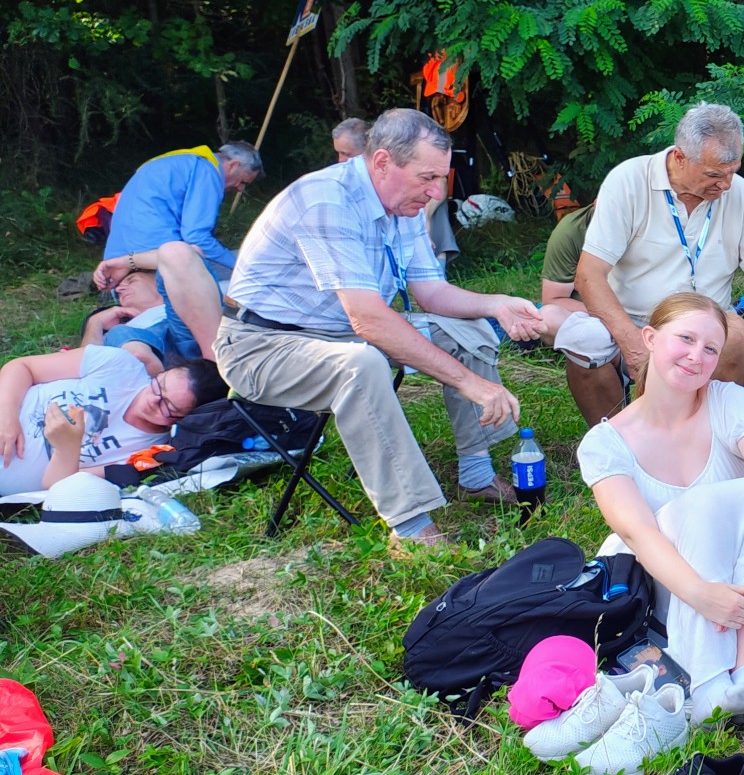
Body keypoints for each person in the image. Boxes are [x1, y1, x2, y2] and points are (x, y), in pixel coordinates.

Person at [214, 107, 547, 546]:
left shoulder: (402, 205)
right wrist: (470, 383)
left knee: (469, 331)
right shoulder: (327, 200)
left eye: (440, 178)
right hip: (262, 344)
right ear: (383, 162)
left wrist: (496, 305)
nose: (435, 192)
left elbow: (431, 292)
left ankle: (476, 472)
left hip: (341, 331)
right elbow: (368, 317)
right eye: (426, 178)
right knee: (362, 364)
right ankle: (410, 528)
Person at [580, 292, 744, 724]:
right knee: (701, 506)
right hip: (672, 590)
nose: (696, 357)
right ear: (650, 338)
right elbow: (638, 534)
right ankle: (709, 684)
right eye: (685, 339)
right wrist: (703, 594)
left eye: (710, 349)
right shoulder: (605, 443)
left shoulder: (729, 403)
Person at [576, 102, 744, 390]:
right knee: (583, 343)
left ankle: (715, 417)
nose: (726, 185)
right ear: (680, 157)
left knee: (735, 335)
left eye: (733, 171)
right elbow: (589, 275)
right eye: (714, 175)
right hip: (635, 321)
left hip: (708, 321)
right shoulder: (628, 181)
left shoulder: (742, 195)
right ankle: (618, 420)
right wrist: (631, 342)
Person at [92, 140, 264, 365]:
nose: (240, 189)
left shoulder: (177, 160)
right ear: (233, 165)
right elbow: (197, 238)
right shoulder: (207, 170)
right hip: (150, 273)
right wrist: (241, 266)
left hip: (117, 277)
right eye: (242, 182)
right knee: (248, 267)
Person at [0, 347, 224, 494]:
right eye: (159, 384)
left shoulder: (150, 454)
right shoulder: (119, 365)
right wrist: (7, 414)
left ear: (185, 419)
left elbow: (56, 488)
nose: (152, 399)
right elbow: (22, 367)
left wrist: (67, 447)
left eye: (168, 406)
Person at [536, 204, 627, 425]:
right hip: (594, 318)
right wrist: (615, 320)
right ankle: (611, 434)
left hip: (651, 318)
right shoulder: (572, 230)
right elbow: (553, 298)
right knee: (551, 318)